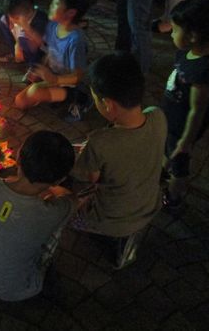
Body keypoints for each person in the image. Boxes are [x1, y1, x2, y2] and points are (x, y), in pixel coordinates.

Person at [72, 53, 167, 268]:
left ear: (108, 104)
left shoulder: (100, 142)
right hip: (150, 204)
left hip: (112, 219)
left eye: (95, 99)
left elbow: (90, 177)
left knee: (68, 209)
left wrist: (84, 155)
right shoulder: (157, 116)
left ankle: (116, 238)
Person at [0, 130, 75, 301]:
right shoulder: (52, 212)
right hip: (17, 289)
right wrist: (54, 189)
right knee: (55, 229)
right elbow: (71, 200)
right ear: (60, 180)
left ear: (18, 158)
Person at [161, 0, 209, 210]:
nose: (171, 33)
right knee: (166, 149)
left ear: (193, 35)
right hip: (172, 120)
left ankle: (173, 196)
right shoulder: (188, 51)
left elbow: (198, 111)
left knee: (178, 163)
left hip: (182, 130)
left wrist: (186, 142)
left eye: (175, 30)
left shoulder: (205, 70)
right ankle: (162, 173)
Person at [14, 0, 91, 121]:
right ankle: (56, 97)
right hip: (55, 76)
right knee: (20, 101)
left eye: (56, 3)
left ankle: (81, 100)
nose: (50, 5)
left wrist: (55, 80)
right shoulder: (53, 26)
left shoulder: (75, 40)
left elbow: (78, 76)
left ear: (70, 13)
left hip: (71, 84)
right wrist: (41, 69)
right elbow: (49, 50)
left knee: (33, 92)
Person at [0, 0, 48, 66]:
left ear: (29, 11)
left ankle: (33, 65)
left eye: (16, 18)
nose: (12, 20)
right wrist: (16, 46)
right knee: (3, 21)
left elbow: (39, 44)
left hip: (39, 52)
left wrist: (26, 27)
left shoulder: (41, 20)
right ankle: (16, 55)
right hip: (20, 42)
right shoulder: (17, 15)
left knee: (24, 39)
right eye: (10, 16)